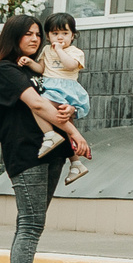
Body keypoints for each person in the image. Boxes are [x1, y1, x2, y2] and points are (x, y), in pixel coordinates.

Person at [0, 16, 89, 263]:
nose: (35, 39)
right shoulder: (5, 69)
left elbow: (55, 99)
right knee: (29, 223)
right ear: (12, 36)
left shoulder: (34, 68)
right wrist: (76, 133)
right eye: (27, 34)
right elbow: (38, 105)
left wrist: (69, 110)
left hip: (53, 151)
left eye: (38, 34)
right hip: (28, 153)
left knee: (33, 223)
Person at [33, 13, 93, 183]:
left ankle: (49, 134)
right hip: (50, 86)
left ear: (73, 35)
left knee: (38, 105)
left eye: (65, 33)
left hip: (66, 90)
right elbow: (41, 68)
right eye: (55, 33)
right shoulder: (46, 50)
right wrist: (30, 63)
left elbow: (71, 65)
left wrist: (59, 50)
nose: (60, 37)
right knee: (65, 125)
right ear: (48, 36)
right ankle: (76, 163)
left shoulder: (75, 52)